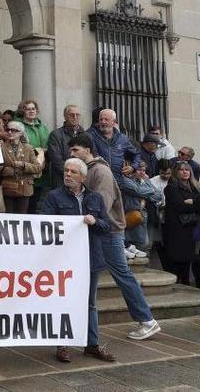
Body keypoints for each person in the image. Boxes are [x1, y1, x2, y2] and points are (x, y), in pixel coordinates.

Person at [68, 133, 162, 340]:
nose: (71, 154)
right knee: (99, 275)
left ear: (87, 149)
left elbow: (102, 203)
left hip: (108, 231)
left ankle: (146, 320)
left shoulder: (100, 171)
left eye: (75, 150)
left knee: (122, 275)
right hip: (99, 230)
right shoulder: (91, 170)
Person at [45, 158, 116, 364]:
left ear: (83, 177)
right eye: (66, 170)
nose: (67, 174)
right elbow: (45, 226)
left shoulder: (95, 198)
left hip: (90, 259)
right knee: (63, 301)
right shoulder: (54, 197)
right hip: (64, 261)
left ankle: (92, 345)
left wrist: (94, 222)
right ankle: (62, 344)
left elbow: (106, 227)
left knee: (90, 303)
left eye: (73, 172)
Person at [163, 161, 200, 286]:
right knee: (182, 261)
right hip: (180, 229)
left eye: (187, 170)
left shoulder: (196, 186)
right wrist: (197, 203)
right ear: (176, 172)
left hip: (196, 227)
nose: (185, 172)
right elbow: (180, 206)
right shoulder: (171, 187)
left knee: (197, 259)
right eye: (181, 170)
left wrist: (192, 201)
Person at [119, 162, 163, 258]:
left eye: (144, 170)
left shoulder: (145, 181)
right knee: (134, 249)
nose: (142, 173)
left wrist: (144, 194)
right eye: (139, 170)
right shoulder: (126, 181)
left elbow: (159, 196)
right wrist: (150, 191)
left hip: (144, 218)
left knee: (145, 246)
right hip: (131, 217)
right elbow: (138, 190)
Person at [0, 121, 41, 214]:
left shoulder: (28, 148)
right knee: (9, 216)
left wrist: (23, 165)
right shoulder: (1, 147)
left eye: (14, 130)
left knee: (22, 216)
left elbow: (37, 168)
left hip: (25, 188)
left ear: (21, 133)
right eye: (8, 129)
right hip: (8, 187)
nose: (9, 132)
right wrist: (8, 171)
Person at [15, 99, 50, 213]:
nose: (31, 111)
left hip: (41, 169)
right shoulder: (18, 126)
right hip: (25, 169)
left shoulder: (43, 127)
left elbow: (48, 144)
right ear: (22, 111)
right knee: (24, 204)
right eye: (28, 109)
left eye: (33, 109)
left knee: (36, 203)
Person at [87, 109, 140, 182]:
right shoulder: (90, 136)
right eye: (101, 119)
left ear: (114, 122)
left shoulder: (122, 138)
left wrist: (133, 167)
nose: (103, 122)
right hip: (99, 180)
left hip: (119, 181)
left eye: (106, 119)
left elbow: (136, 154)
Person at [47, 105, 85, 189]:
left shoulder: (86, 135)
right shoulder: (56, 135)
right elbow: (56, 160)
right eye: (71, 115)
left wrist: (82, 174)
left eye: (77, 115)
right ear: (65, 116)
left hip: (82, 180)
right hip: (62, 180)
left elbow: (92, 155)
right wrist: (72, 173)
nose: (75, 117)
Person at [148, 159, 173, 270]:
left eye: (168, 173)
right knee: (159, 243)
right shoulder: (153, 181)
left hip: (170, 216)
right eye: (163, 173)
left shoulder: (174, 181)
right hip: (157, 215)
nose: (165, 176)